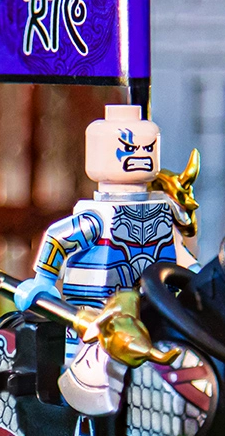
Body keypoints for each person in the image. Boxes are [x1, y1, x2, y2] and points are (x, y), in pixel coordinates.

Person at [14, 104, 199, 415]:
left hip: (156, 309)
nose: (140, 155)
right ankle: (86, 410)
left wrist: (196, 275)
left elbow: (177, 252)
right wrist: (43, 280)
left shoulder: (162, 210)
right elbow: (59, 238)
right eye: (130, 148)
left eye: (147, 148)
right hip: (97, 316)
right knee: (92, 366)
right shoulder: (97, 217)